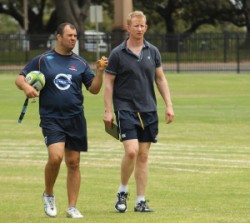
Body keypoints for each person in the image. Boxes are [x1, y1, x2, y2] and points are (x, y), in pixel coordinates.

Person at [15, 22, 108, 218]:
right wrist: (26, 88)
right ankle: (48, 194)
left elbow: (94, 89)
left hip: (75, 118)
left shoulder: (81, 63)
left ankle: (72, 207)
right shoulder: (43, 60)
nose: (73, 38)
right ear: (59, 37)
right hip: (52, 118)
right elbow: (20, 78)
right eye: (69, 35)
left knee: (73, 163)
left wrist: (99, 72)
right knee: (56, 157)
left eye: (75, 36)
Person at [103, 11, 174, 213]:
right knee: (131, 151)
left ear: (146, 27)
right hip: (125, 109)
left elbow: (160, 79)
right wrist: (108, 111)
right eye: (136, 26)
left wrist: (169, 104)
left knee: (143, 156)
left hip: (149, 110)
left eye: (143, 25)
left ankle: (140, 201)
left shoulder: (153, 51)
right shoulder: (117, 53)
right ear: (128, 27)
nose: (140, 29)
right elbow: (108, 83)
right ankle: (123, 191)